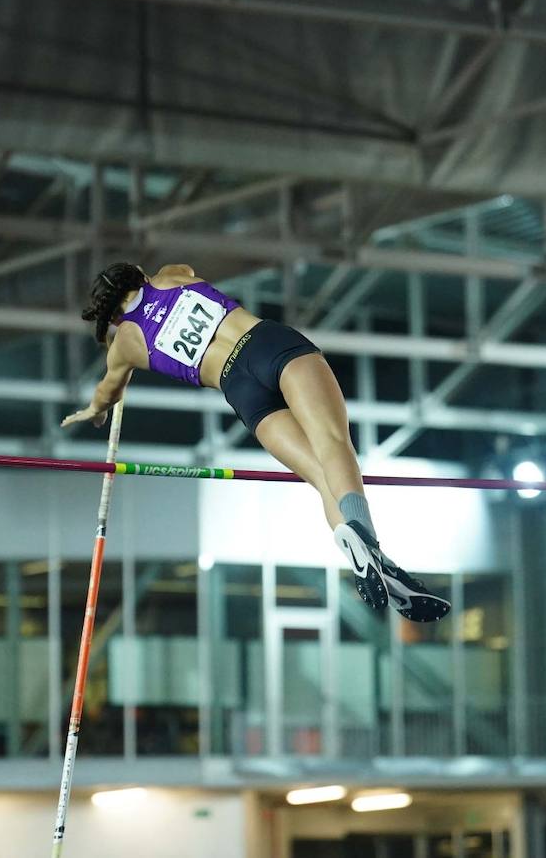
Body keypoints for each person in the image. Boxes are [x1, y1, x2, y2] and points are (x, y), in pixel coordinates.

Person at [62, 263, 450, 622]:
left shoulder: (124, 345)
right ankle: (366, 539)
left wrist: (94, 411)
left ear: (111, 316)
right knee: (333, 443)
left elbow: (107, 392)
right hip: (267, 345)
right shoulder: (170, 275)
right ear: (139, 276)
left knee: (319, 475)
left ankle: (370, 559)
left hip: (241, 390)